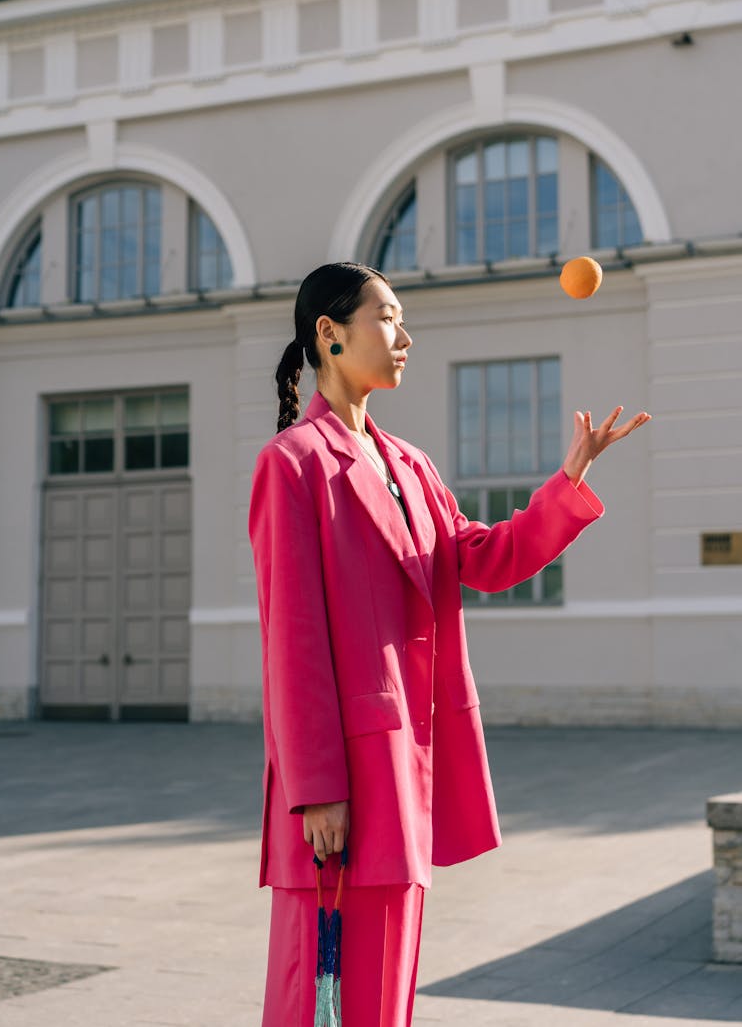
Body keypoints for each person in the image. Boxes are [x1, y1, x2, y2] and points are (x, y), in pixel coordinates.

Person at [248, 261, 651, 1026]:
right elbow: (292, 644)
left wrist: (569, 479)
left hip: (406, 776)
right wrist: (316, 788)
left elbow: (485, 559)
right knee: (321, 1001)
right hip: (341, 792)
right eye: (389, 317)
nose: (406, 335)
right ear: (329, 335)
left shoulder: (411, 466)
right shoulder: (293, 465)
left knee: (383, 997)